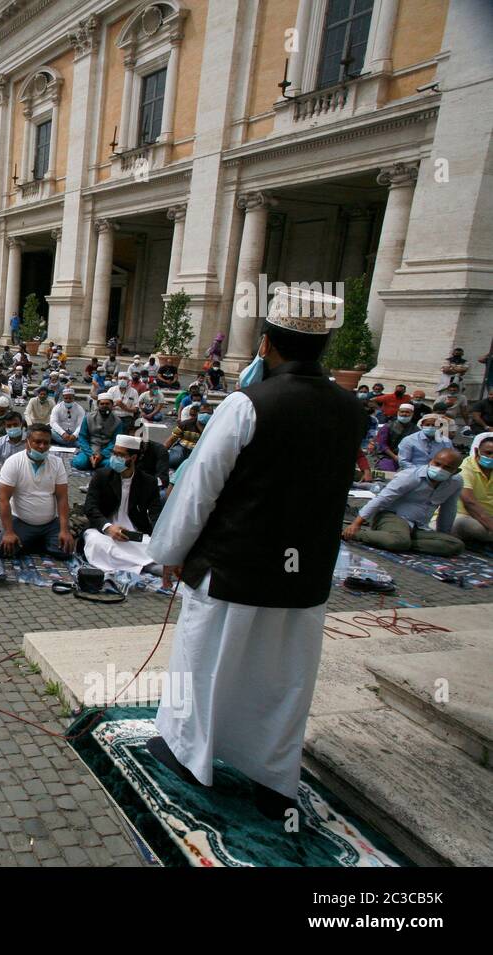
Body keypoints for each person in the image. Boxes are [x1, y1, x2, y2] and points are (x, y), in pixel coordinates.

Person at [145, 291, 368, 819]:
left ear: (266, 343)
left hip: (235, 566)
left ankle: (186, 755)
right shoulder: (351, 410)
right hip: (305, 573)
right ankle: (274, 778)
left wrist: (171, 550)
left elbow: (199, 489)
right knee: (283, 680)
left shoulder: (247, 405)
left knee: (203, 669)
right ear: (324, 345)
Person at [343, 449, 464, 555]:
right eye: (437, 464)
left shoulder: (456, 482)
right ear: (430, 461)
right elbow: (383, 498)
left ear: (456, 471)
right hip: (393, 516)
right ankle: (359, 535)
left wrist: (443, 535)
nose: (439, 469)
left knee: (455, 545)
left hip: (419, 525)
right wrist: (356, 524)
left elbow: (448, 509)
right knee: (398, 541)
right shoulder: (410, 476)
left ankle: (402, 541)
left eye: (447, 468)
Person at [82, 434, 163, 572]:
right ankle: (145, 566)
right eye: (114, 453)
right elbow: (90, 507)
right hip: (103, 530)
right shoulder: (102, 476)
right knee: (97, 543)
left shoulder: (148, 482)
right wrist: (108, 527)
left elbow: (155, 513)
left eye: (120, 455)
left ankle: (138, 563)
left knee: (150, 544)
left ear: (133, 458)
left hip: (133, 532)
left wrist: (159, 538)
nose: (114, 458)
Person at [0, 423, 75, 559]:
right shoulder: (13, 462)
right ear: (27, 443)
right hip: (21, 521)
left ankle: (33, 542)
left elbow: (62, 498)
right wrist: (9, 532)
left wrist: (64, 530)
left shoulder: (57, 463)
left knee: (65, 552)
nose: (42, 447)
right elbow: (3, 499)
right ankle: (32, 540)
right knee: (5, 550)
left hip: (50, 523)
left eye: (46, 443)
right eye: (37, 442)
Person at [455, 432, 493, 546]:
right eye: (488, 453)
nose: (492, 457)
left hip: (488, 515)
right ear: (477, 452)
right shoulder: (465, 468)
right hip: (465, 515)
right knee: (474, 527)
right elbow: (469, 503)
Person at [72, 392, 122, 471]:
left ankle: (95, 463)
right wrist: (90, 454)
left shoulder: (118, 421)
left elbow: (115, 442)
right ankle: (93, 462)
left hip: (107, 452)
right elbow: (82, 437)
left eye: (107, 404)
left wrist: (102, 455)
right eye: (102, 404)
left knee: (111, 465)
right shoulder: (88, 418)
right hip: (90, 449)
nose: (104, 406)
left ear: (112, 405)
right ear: (98, 405)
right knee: (80, 463)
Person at [163, 402, 211, 469]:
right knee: (174, 461)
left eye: (209, 413)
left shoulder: (213, 427)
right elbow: (172, 438)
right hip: (183, 447)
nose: (205, 415)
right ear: (198, 414)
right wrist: (162, 452)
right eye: (202, 413)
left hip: (200, 451)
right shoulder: (186, 424)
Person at [370, 403, 417, 471]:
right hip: (386, 456)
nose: (404, 414)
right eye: (402, 411)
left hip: (407, 458)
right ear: (398, 412)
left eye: (407, 412)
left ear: (412, 414)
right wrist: (395, 457)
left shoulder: (415, 429)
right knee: (388, 469)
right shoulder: (388, 426)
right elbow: (382, 445)